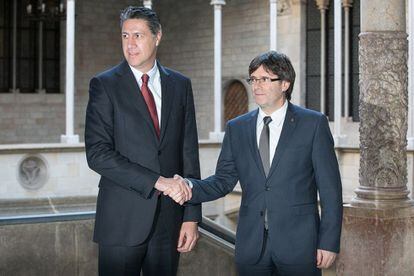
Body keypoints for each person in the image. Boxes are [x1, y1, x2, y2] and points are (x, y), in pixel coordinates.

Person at [170, 51, 343, 276]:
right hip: (252, 248)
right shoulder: (237, 127)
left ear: (285, 84)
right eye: (253, 79)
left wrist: (329, 241)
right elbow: (223, 181)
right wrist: (188, 187)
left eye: (265, 79)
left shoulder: (313, 124)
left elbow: (330, 190)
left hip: (299, 246)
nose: (256, 86)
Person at [85, 6, 200, 276]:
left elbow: (189, 155)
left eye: (137, 35)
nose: (130, 44)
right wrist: (157, 181)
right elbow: (98, 154)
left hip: (169, 223)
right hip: (121, 221)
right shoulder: (104, 85)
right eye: (125, 36)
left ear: (157, 36)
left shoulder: (180, 85)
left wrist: (192, 217)